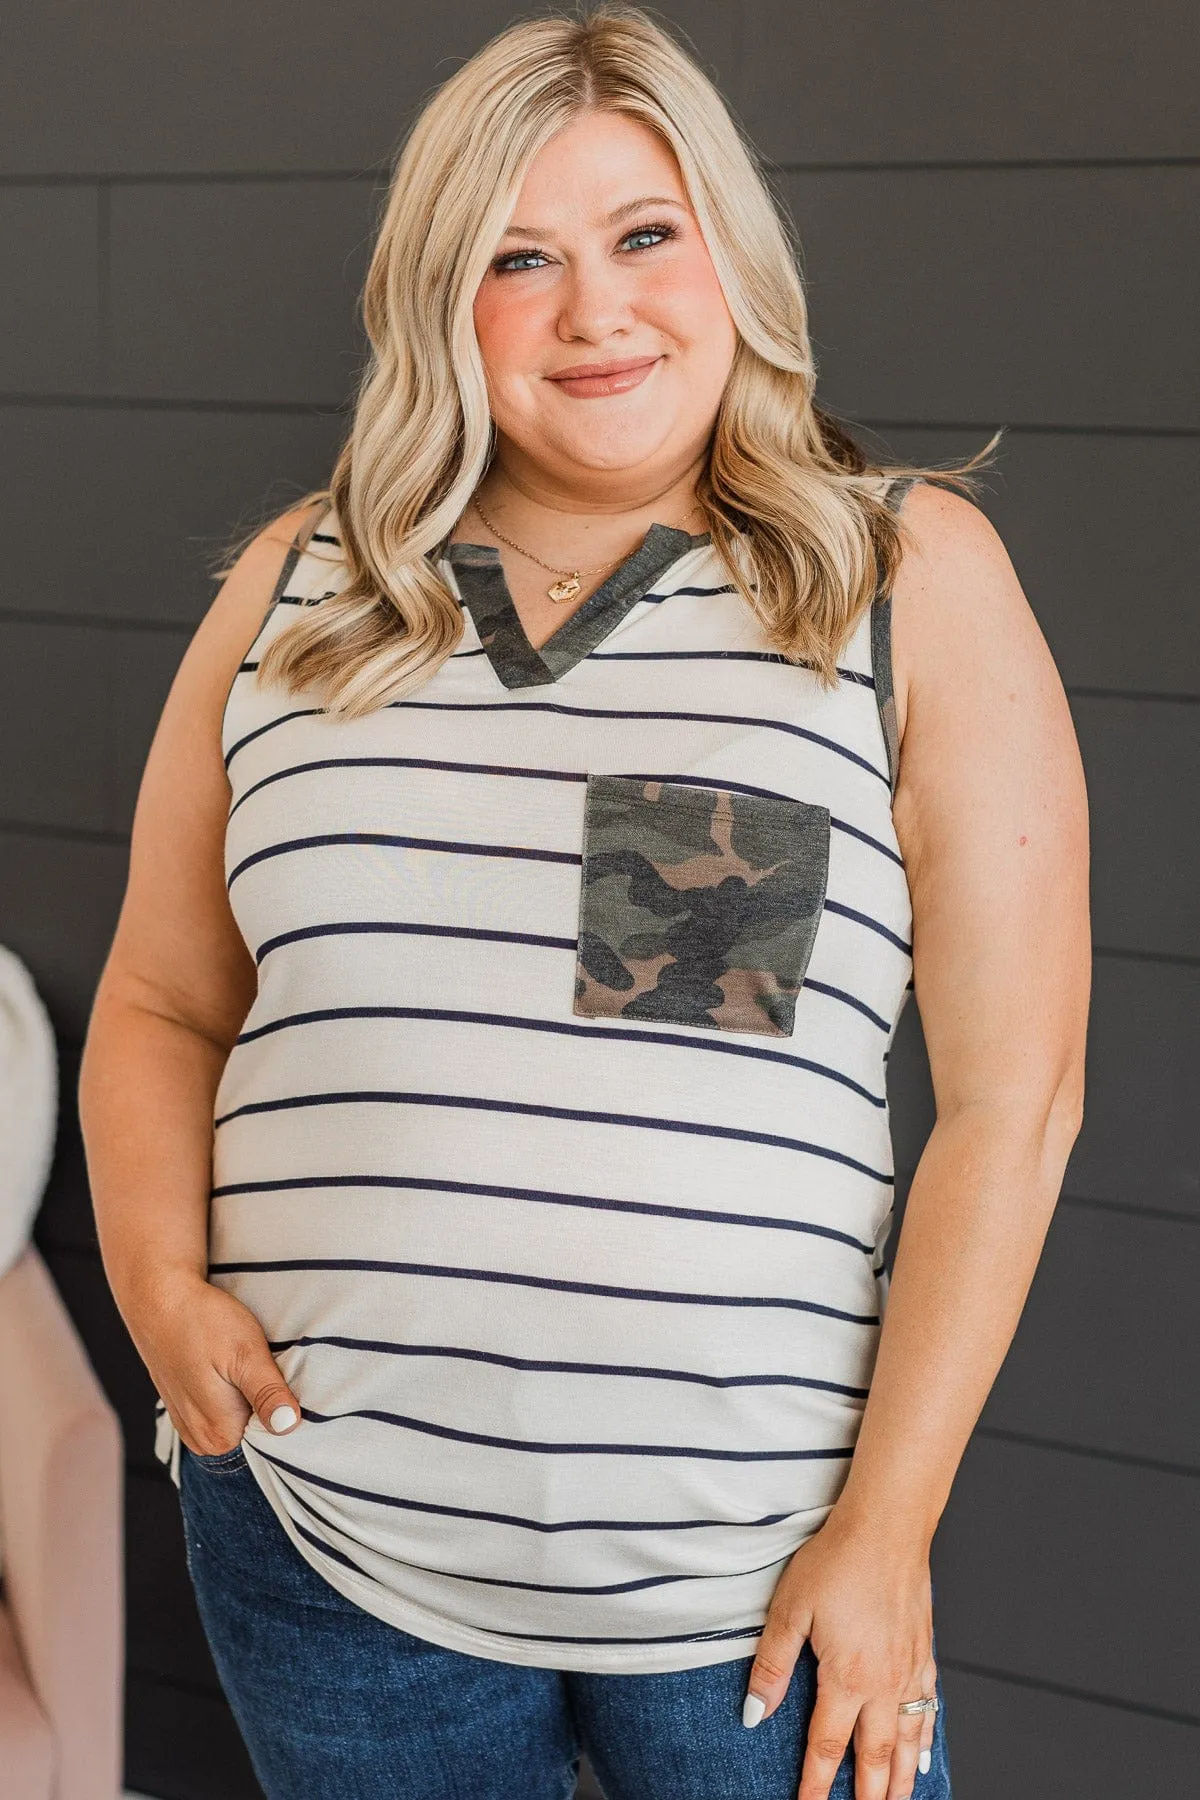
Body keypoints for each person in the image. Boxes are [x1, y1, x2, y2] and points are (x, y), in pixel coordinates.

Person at [78, 7, 1091, 1798]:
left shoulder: (897, 573)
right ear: (434, 299)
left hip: (755, 1592)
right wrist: (159, 1287)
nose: (592, 309)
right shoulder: (298, 589)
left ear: (731, 250)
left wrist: (889, 1529)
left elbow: (1014, 1107)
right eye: (515, 258)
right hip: (333, 1551)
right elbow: (163, 1001)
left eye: (643, 235)